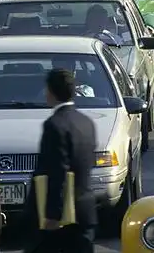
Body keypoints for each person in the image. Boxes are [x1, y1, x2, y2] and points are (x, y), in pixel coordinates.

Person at [23, 69, 97, 253]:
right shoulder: (86, 123)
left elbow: (58, 172)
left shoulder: (54, 125)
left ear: (50, 91)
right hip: (85, 212)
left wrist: (52, 215)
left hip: (61, 218)